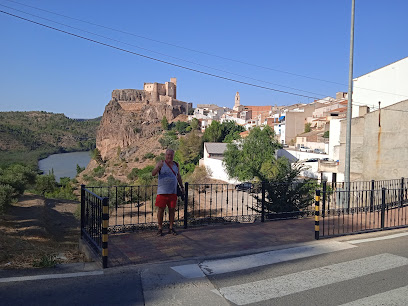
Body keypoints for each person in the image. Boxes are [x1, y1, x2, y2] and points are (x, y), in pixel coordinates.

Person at [152, 149, 184, 236]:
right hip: (162, 192)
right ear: (165, 155)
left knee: (172, 210)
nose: (169, 156)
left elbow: (178, 177)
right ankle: (160, 228)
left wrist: (182, 187)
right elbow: (153, 173)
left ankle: (171, 228)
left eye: (171, 155)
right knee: (160, 210)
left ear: (173, 156)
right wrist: (159, 167)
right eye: (168, 155)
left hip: (173, 192)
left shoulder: (176, 165)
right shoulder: (160, 163)